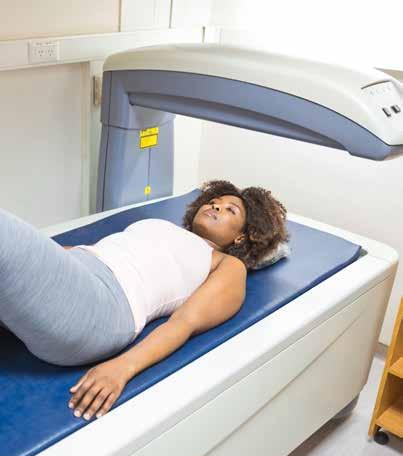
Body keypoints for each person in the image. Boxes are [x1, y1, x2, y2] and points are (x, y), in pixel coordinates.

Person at [0, 179, 288, 421]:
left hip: (103, 305)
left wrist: (124, 367)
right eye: (214, 202)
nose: (216, 206)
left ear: (241, 238)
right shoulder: (162, 226)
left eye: (230, 210)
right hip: (76, 271)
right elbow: (84, 252)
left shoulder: (225, 264)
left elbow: (184, 323)